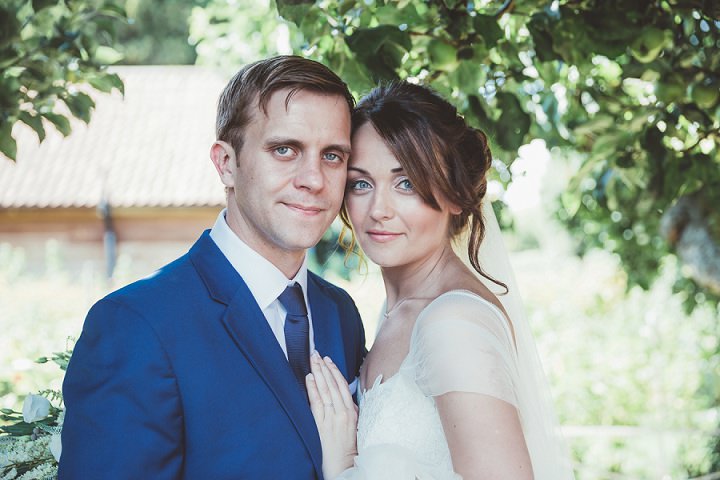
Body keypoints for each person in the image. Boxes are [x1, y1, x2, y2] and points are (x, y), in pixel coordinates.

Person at [59, 55, 366, 479]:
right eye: (284, 149)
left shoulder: (341, 314)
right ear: (226, 163)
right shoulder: (136, 326)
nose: (314, 179)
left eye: (332, 156)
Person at [306, 82, 575, 479]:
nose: (378, 210)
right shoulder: (399, 309)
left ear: (454, 195)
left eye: (406, 183)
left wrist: (342, 464)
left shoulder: (453, 323)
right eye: (361, 183)